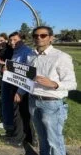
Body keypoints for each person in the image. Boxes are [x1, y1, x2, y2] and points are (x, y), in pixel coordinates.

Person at [23, 26, 76, 155]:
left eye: (43, 35)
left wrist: (54, 84)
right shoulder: (30, 55)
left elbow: (72, 84)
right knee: (42, 139)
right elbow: (27, 76)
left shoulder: (61, 57)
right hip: (33, 100)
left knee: (54, 141)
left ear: (51, 38)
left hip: (51, 104)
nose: (38, 38)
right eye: (35, 36)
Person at [0, 31, 34, 147]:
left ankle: (18, 139)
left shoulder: (27, 52)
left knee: (19, 114)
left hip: (22, 88)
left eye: (15, 40)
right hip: (15, 85)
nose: (12, 42)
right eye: (10, 40)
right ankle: (28, 137)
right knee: (22, 113)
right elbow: (15, 69)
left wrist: (20, 92)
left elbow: (28, 73)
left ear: (21, 39)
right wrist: (7, 69)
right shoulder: (16, 52)